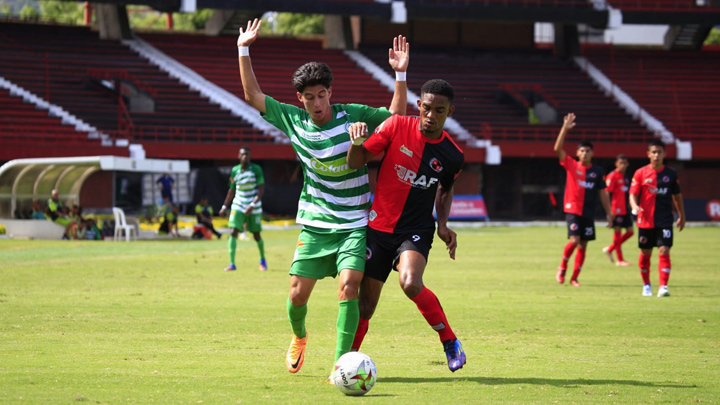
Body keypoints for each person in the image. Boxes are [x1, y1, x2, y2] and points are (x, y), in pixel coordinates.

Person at [236, 18, 409, 375]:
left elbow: (396, 118)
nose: (317, 103)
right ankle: (299, 337)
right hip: (316, 224)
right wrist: (243, 49)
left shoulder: (354, 116)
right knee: (297, 295)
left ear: (330, 92)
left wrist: (400, 76)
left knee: (349, 286)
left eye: (322, 95)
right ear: (300, 99)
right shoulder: (293, 120)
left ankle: (341, 366)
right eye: (309, 97)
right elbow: (253, 96)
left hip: (355, 223)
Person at [346, 79, 467, 372]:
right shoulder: (395, 126)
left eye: (439, 110)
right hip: (377, 228)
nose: (431, 115)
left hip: (415, 230)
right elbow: (355, 162)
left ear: (449, 111)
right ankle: (347, 360)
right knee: (366, 306)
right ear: (419, 105)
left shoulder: (453, 155)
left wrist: (443, 224)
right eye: (427, 108)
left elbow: (446, 189)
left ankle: (450, 341)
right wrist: (356, 141)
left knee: (410, 282)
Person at [553, 113, 614, 286]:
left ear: (592, 153)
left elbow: (603, 192)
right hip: (572, 209)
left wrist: (609, 213)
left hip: (588, 211)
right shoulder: (572, 164)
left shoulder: (597, 172)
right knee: (574, 240)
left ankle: (574, 277)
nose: (585, 153)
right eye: (582, 151)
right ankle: (562, 268)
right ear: (577, 153)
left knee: (583, 245)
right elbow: (557, 149)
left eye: (588, 151)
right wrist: (565, 128)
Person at [629, 140, 685, 297]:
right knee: (646, 253)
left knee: (664, 249)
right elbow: (632, 193)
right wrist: (634, 206)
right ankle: (646, 285)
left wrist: (682, 215)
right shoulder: (640, 173)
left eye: (659, 152)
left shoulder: (670, 174)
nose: (656, 155)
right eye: (653, 152)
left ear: (664, 154)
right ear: (648, 154)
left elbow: (677, 196)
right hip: (645, 220)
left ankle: (663, 287)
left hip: (665, 220)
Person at [219, 147, 266, 271]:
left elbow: (261, 189)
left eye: (247, 154)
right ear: (239, 157)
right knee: (233, 231)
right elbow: (231, 190)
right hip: (238, 204)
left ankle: (262, 260)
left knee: (256, 235)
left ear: (250, 156)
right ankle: (232, 264)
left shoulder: (256, 169)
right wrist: (224, 206)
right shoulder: (235, 170)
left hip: (253, 205)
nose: (245, 156)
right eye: (243, 154)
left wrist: (252, 205)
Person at [602, 154, 633, 266]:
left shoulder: (625, 177)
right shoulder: (612, 176)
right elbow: (607, 192)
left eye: (625, 163)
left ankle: (610, 249)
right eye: (621, 163)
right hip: (617, 209)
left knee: (630, 232)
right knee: (618, 233)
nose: (623, 165)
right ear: (616, 164)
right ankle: (620, 260)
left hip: (625, 209)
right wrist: (610, 210)